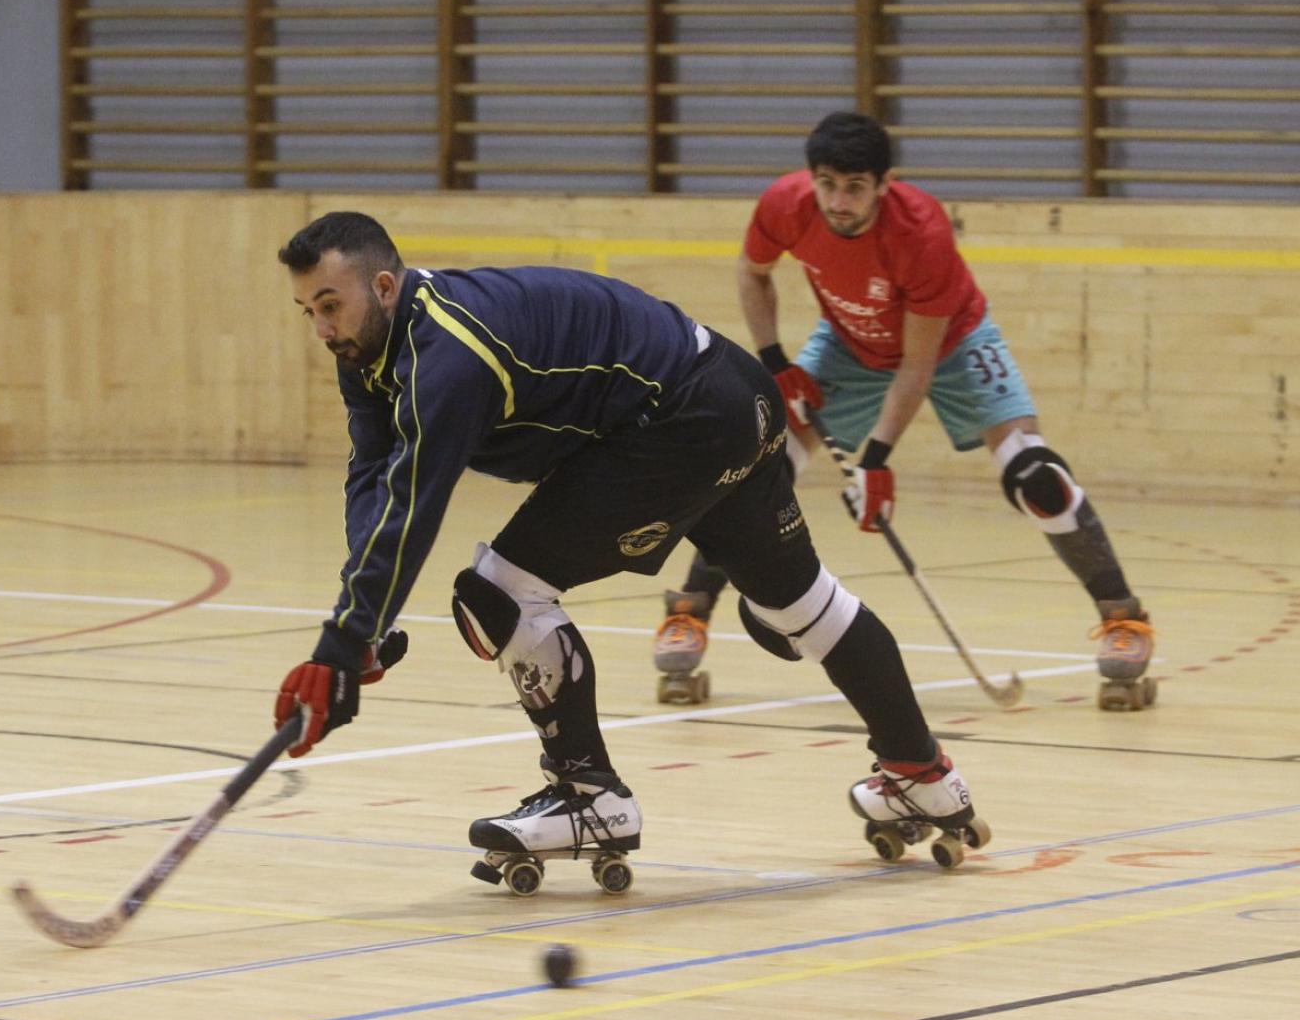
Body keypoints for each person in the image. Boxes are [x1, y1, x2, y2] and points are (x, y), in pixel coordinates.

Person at [273, 211, 990, 893]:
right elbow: (373, 476)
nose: (322, 328)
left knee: (499, 590)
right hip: (730, 394)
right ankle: (921, 774)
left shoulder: (448, 361)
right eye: (310, 310)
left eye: (331, 305)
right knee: (801, 602)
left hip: (686, 419)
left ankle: (587, 796)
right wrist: (360, 628)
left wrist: (343, 644)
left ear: (385, 288)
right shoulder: (370, 347)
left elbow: (413, 506)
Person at [653, 112, 1156, 713]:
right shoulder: (786, 205)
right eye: (828, 184)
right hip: (846, 345)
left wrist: (878, 459)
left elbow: (916, 367)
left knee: (1035, 475)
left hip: (954, 342)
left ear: (885, 183)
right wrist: (775, 359)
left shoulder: (920, 234)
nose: (839, 202)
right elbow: (753, 272)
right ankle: (689, 611)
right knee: (760, 466)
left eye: (856, 188)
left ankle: (1123, 618)